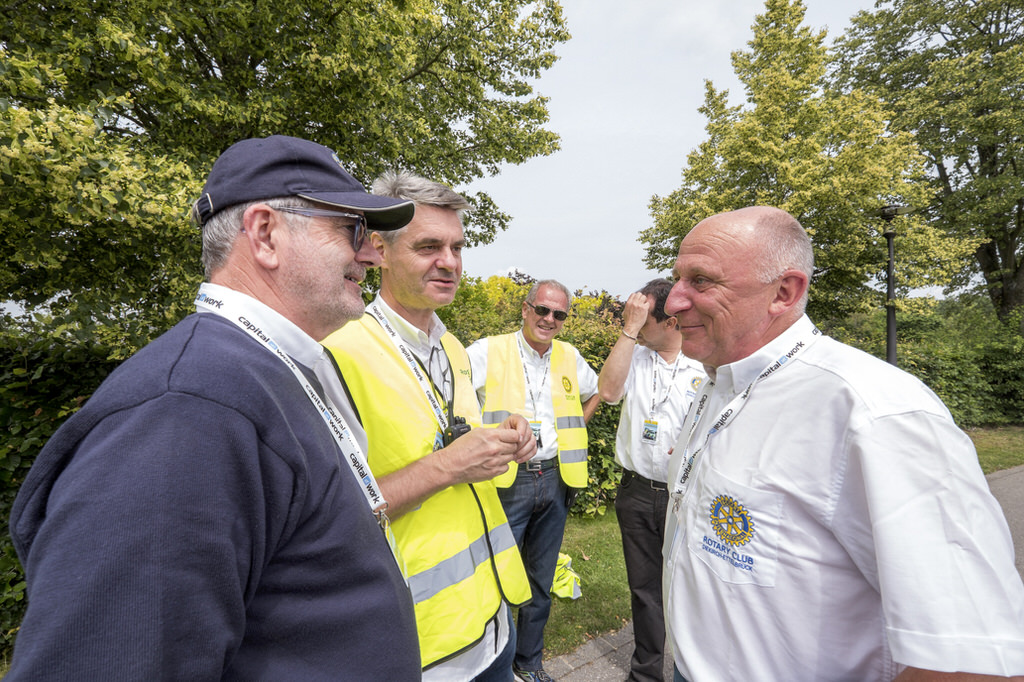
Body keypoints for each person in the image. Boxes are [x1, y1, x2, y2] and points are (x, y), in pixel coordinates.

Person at [6, 135, 422, 680]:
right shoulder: (186, 410)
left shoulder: (266, 370)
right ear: (266, 233)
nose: (371, 252)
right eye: (352, 229)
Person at [662, 206, 1024, 682]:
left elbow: (972, 660)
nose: (672, 301)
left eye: (701, 281)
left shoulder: (874, 412)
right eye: (677, 279)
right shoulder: (717, 384)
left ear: (784, 292)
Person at [323, 170, 534, 682]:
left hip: (494, 618)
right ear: (379, 250)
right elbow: (328, 516)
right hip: (423, 642)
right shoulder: (337, 352)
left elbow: (457, 443)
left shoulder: (452, 345)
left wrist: (506, 441)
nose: (450, 263)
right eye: (428, 247)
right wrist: (448, 465)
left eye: (458, 247)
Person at [467, 280, 601, 682]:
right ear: (525, 309)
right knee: (496, 575)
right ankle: (493, 666)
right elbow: (455, 402)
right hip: (509, 479)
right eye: (542, 310)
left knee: (540, 579)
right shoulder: (488, 350)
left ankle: (528, 662)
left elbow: (598, 392)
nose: (549, 319)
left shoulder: (571, 357)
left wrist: (571, 432)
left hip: (555, 477)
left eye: (559, 314)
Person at [596, 278, 705, 682]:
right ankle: (646, 675)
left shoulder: (703, 366)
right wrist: (629, 328)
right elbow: (608, 392)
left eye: (644, 318)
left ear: (672, 322)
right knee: (645, 592)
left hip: (685, 496)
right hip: (637, 492)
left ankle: (693, 671)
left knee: (693, 590)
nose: (637, 325)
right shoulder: (635, 358)